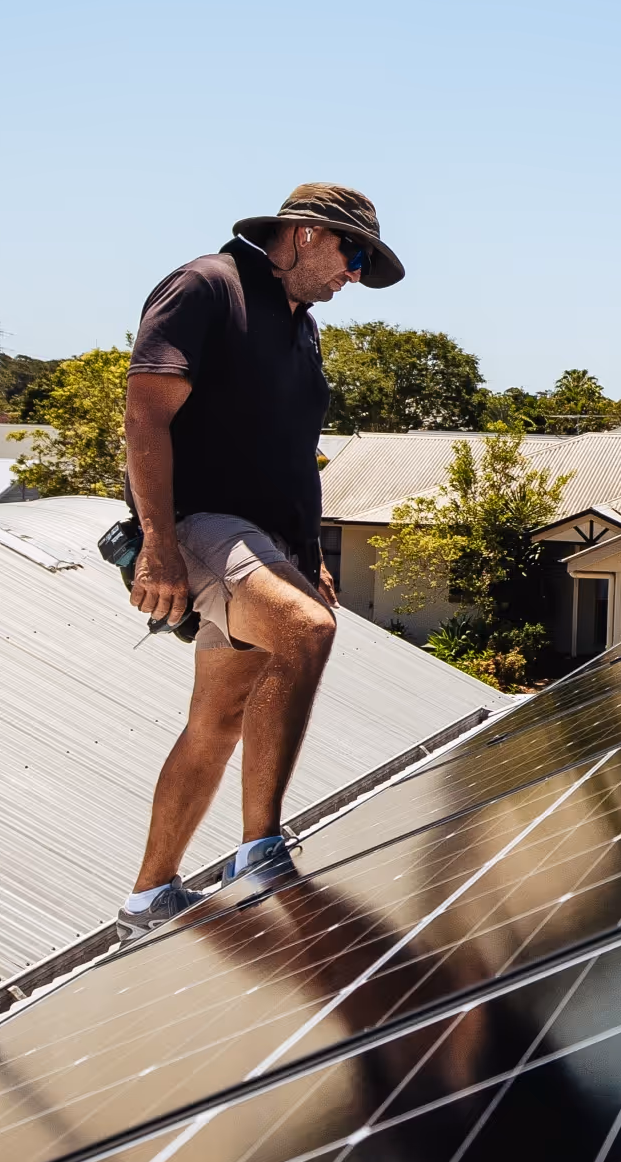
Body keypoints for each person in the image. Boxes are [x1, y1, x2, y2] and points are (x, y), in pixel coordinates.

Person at [114, 183, 407, 939]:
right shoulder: (208, 288)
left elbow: (287, 454)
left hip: (269, 543)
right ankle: (258, 850)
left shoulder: (299, 324)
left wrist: (307, 556)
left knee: (217, 720)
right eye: (352, 254)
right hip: (201, 525)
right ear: (306, 234)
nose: (354, 275)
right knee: (306, 632)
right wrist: (159, 543)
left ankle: (148, 897)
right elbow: (146, 415)